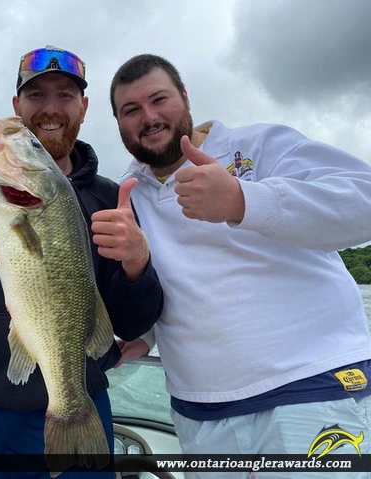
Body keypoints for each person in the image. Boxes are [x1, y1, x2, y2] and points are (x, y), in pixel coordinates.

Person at [0, 45, 164, 478]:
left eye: (65, 95)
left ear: (85, 107)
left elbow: (130, 323)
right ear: (16, 106)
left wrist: (137, 260)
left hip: (76, 396)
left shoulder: (113, 198)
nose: (51, 108)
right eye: (36, 96)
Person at [110, 53, 371, 478]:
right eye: (131, 110)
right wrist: (145, 335)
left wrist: (243, 200)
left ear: (185, 97)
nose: (149, 117)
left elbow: (364, 200)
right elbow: (172, 280)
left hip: (310, 389)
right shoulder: (128, 194)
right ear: (118, 123)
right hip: (200, 415)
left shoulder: (260, 145)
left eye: (159, 100)